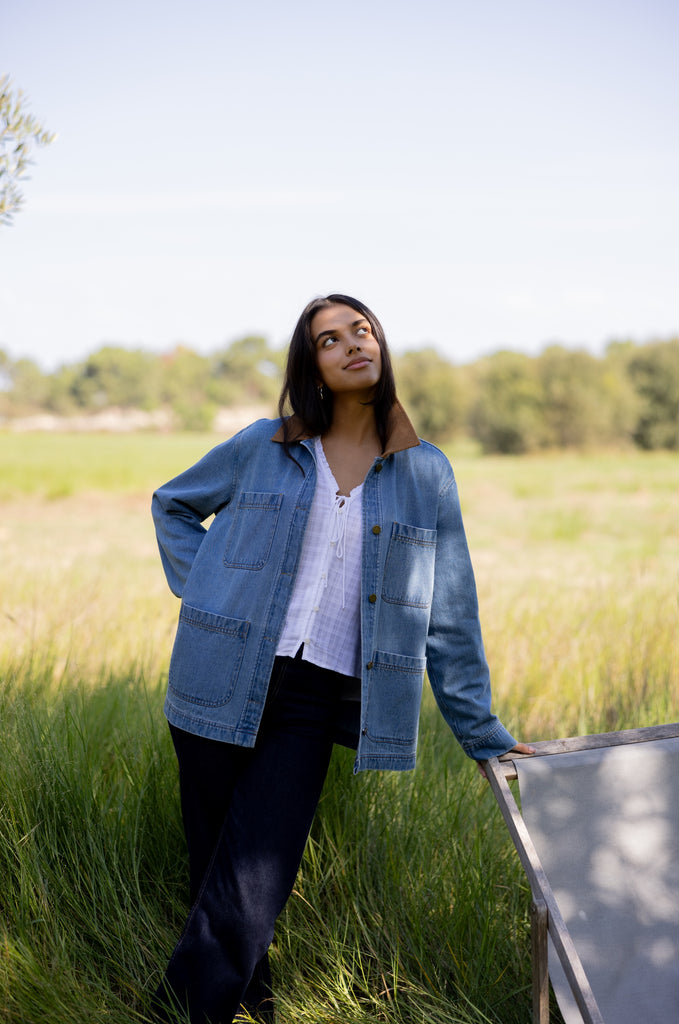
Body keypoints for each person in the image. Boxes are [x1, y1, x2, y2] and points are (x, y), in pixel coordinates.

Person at [150, 294, 534, 1023]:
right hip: (216, 675)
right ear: (314, 368)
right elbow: (172, 504)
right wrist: (212, 589)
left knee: (255, 876)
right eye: (331, 340)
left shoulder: (424, 473)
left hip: (313, 694)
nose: (353, 344)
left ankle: (177, 1015)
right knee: (216, 874)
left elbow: (448, 609)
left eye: (361, 330)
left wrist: (477, 726)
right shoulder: (264, 446)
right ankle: (246, 1006)